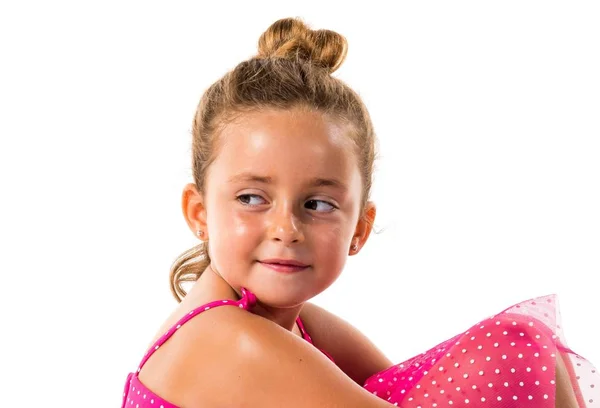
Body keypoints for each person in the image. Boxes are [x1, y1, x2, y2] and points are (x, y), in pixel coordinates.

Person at [121, 17, 598, 408]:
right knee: (515, 347)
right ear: (199, 211)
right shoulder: (227, 340)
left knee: (521, 343)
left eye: (318, 204)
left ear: (359, 229)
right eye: (252, 198)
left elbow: (400, 386)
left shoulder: (297, 322)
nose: (286, 229)